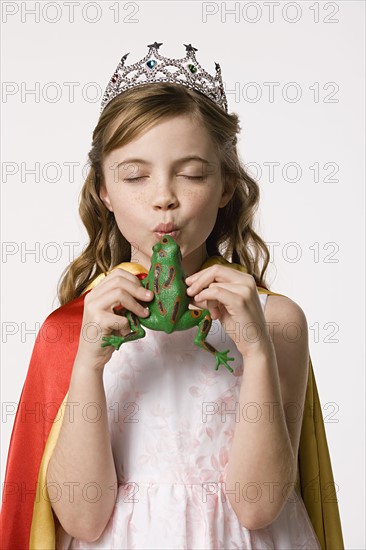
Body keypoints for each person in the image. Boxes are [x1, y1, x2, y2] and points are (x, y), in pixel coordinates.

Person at [1, 42, 344, 550]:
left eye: (191, 173)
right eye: (135, 175)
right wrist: (88, 366)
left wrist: (255, 352)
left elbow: (258, 504)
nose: (164, 195)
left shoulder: (277, 321)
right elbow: (82, 519)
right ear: (104, 191)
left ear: (226, 185)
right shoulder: (74, 328)